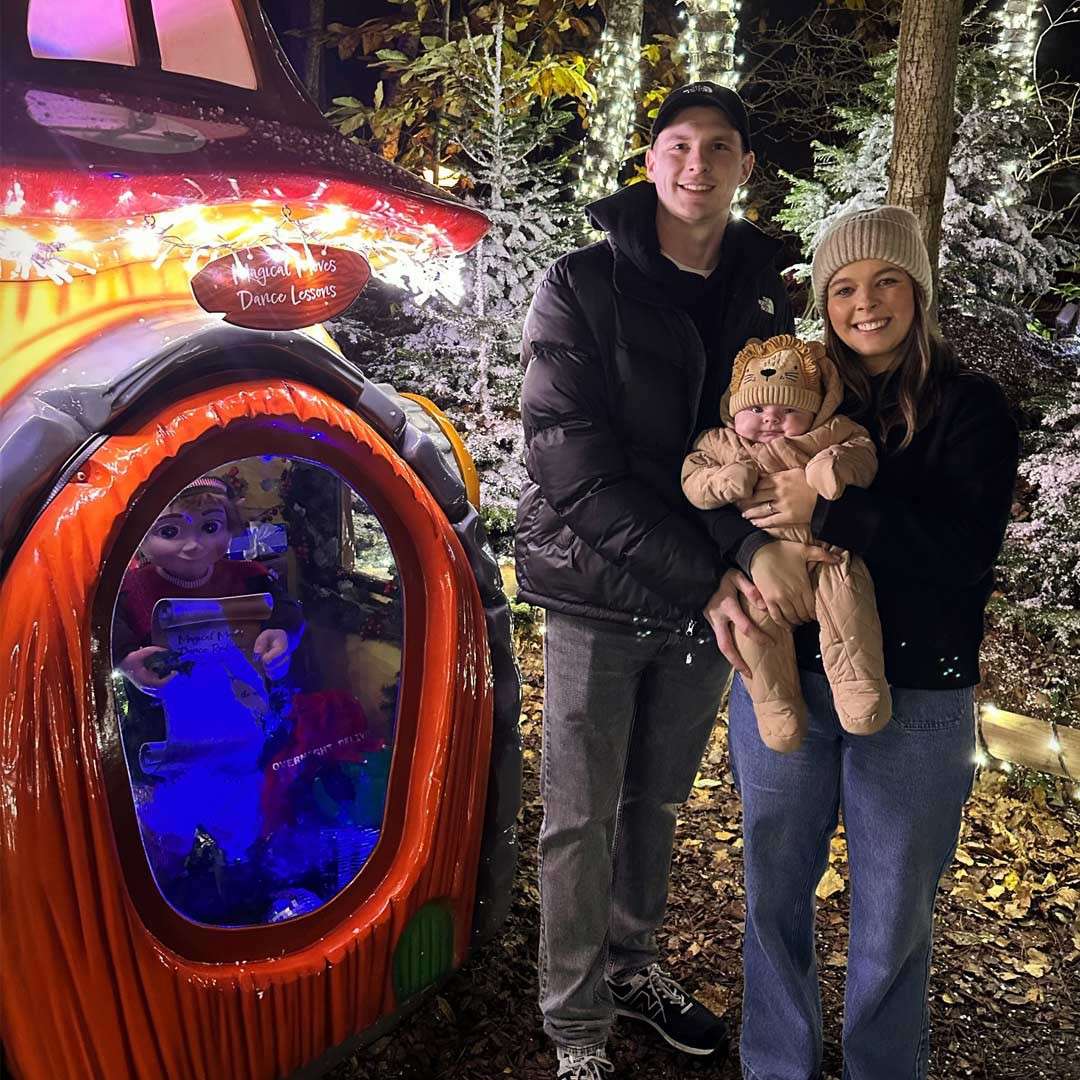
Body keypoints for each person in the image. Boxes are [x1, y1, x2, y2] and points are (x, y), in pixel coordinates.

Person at [516, 82, 832, 1080]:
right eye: (680, 145)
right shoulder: (582, 283)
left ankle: (631, 963)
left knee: (655, 801)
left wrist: (758, 545)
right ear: (651, 161)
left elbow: (769, 438)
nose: (699, 165)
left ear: (746, 167)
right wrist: (709, 574)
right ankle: (575, 1024)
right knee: (581, 816)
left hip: (710, 594)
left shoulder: (765, 290)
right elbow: (570, 463)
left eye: (720, 147)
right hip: (601, 586)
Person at [711, 206, 1019, 1080]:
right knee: (774, 893)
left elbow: (963, 555)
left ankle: (883, 1065)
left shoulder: (972, 408)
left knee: (892, 914)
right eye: (843, 287)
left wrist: (831, 511)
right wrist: (746, 555)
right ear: (824, 301)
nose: (866, 303)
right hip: (788, 677)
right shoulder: (792, 397)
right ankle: (778, 1063)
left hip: (919, 692)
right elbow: (720, 490)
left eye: (886, 281)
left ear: (918, 291)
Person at [682, 333, 890, 751]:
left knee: (850, 600)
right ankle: (775, 706)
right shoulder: (721, 443)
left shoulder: (828, 433)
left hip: (825, 556)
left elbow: (861, 452)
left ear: (816, 409)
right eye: (756, 408)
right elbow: (692, 477)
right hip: (759, 572)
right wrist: (723, 480)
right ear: (734, 407)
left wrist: (833, 468)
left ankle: (859, 686)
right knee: (755, 630)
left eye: (789, 410)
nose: (770, 419)